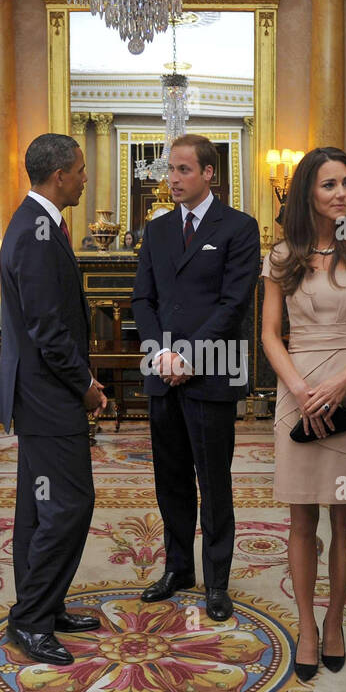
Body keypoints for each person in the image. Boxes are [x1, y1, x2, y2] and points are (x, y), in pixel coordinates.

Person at [260, 147, 346, 681]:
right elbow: (269, 333)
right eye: (328, 185)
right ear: (307, 193)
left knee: (345, 516)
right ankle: (306, 628)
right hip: (298, 392)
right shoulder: (282, 256)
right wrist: (298, 387)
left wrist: (341, 383)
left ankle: (334, 621)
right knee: (301, 518)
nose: (340, 194)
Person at [131, 134, 261, 621]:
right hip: (162, 373)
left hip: (211, 373)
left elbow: (233, 303)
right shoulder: (157, 230)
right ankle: (178, 569)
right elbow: (143, 300)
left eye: (184, 170)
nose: (173, 179)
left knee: (214, 481)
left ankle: (217, 582)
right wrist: (160, 352)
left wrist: (187, 355)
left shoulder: (239, 228)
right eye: (170, 170)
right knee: (171, 480)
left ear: (210, 173)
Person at [0, 133, 108, 666]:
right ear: (60, 175)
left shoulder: (36, 224)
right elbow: (47, 328)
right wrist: (84, 386)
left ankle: (44, 604)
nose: (85, 178)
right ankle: (32, 620)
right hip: (47, 395)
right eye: (81, 170)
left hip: (40, 392)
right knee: (68, 505)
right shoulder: (38, 231)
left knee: (38, 509)